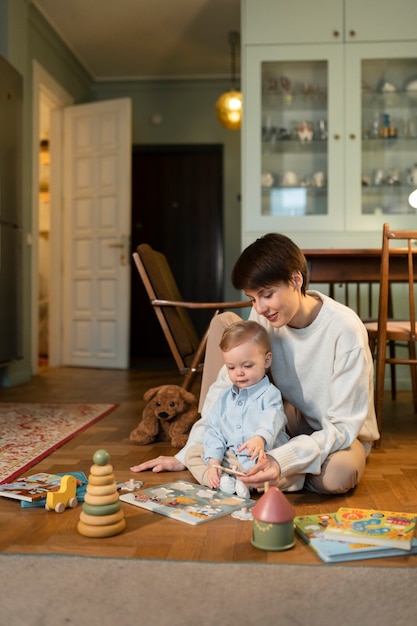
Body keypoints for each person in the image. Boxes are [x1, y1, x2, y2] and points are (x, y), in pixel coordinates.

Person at [131, 232, 380, 494]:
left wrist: (281, 460)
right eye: (252, 299)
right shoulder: (264, 315)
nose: (259, 308)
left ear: (296, 279)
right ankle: (261, 468)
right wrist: (184, 456)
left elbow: (342, 425)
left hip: (338, 431)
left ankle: (261, 468)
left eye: (267, 294)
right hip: (287, 417)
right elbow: (224, 391)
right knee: (230, 330)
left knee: (337, 478)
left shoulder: (344, 329)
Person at [195, 320, 288, 498]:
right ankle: (219, 477)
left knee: (286, 473)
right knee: (195, 454)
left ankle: (243, 482)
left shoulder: (270, 394)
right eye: (231, 367)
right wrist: (214, 461)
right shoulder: (224, 398)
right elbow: (214, 430)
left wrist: (260, 438)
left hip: (261, 458)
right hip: (230, 459)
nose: (239, 373)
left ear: (266, 360)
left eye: (247, 366)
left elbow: (273, 417)